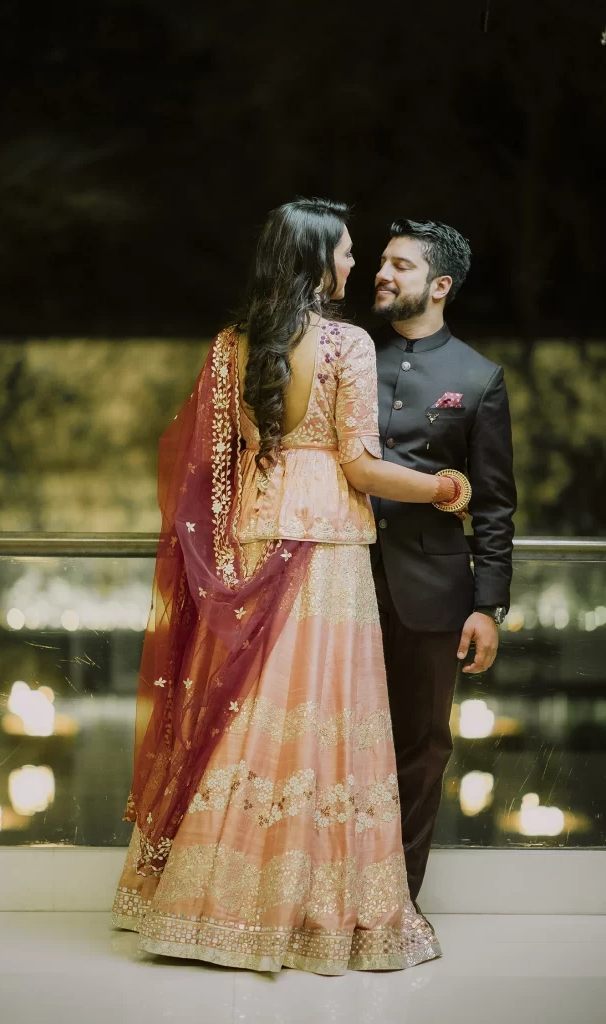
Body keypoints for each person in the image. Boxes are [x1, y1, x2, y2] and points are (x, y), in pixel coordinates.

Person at [112, 199, 469, 975]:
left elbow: (213, 468)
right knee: (325, 722)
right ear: (312, 261)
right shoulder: (346, 344)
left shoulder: (230, 347)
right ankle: (307, 913)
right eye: (343, 252)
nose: (353, 264)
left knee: (245, 713)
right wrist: (443, 488)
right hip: (328, 545)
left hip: (250, 537)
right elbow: (360, 466)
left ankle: (207, 905)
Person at [370, 218, 516, 904]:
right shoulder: (344, 356)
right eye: (381, 262)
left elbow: (492, 505)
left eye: (399, 265)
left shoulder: (478, 377)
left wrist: (487, 605)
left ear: (438, 285)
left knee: (422, 748)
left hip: (432, 592)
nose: (382, 273)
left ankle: (396, 901)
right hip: (333, 582)